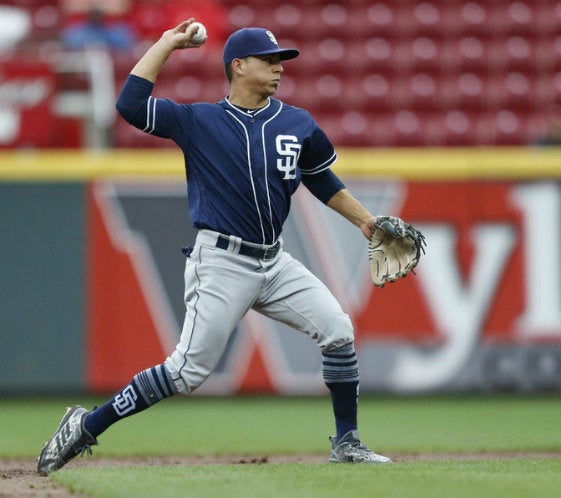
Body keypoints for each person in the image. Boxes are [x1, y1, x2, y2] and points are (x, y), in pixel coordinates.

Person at [37, 20, 393, 473]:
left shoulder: (297, 122)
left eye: (280, 60)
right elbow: (129, 104)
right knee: (187, 372)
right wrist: (167, 44)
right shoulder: (199, 121)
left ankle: (348, 442)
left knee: (338, 329)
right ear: (238, 66)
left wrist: (367, 221)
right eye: (269, 60)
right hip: (222, 261)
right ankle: (87, 424)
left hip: (274, 261)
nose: (279, 68)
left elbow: (322, 180)